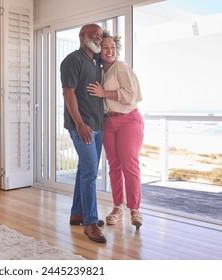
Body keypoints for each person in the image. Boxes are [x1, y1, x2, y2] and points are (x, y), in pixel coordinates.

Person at [88, 31, 144, 229]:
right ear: (98, 50)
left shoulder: (121, 67)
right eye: (105, 47)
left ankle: (135, 210)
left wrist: (104, 93)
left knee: (129, 164)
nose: (110, 51)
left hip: (128, 120)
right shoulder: (98, 70)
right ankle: (118, 208)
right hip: (108, 123)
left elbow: (130, 95)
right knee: (114, 166)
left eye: (113, 47)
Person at [60, 23, 106, 243]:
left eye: (100, 35)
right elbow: (68, 92)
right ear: (82, 36)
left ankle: (77, 213)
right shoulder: (72, 60)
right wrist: (79, 123)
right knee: (89, 173)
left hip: (97, 126)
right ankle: (90, 223)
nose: (98, 38)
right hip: (82, 127)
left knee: (84, 170)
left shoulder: (96, 62)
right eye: (94, 35)